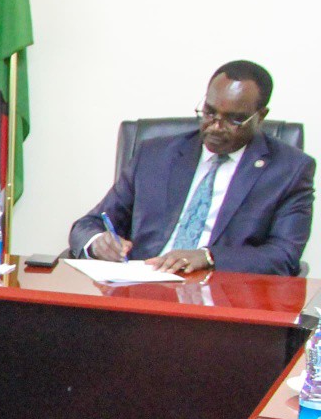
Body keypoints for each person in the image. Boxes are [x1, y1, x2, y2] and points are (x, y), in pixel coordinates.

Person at [69, 60, 313, 276]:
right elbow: (87, 225)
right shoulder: (155, 155)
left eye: (234, 119)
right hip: (141, 286)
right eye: (209, 112)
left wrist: (209, 257)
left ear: (261, 116)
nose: (215, 126)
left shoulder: (289, 169)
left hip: (221, 295)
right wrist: (97, 241)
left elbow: (283, 256)